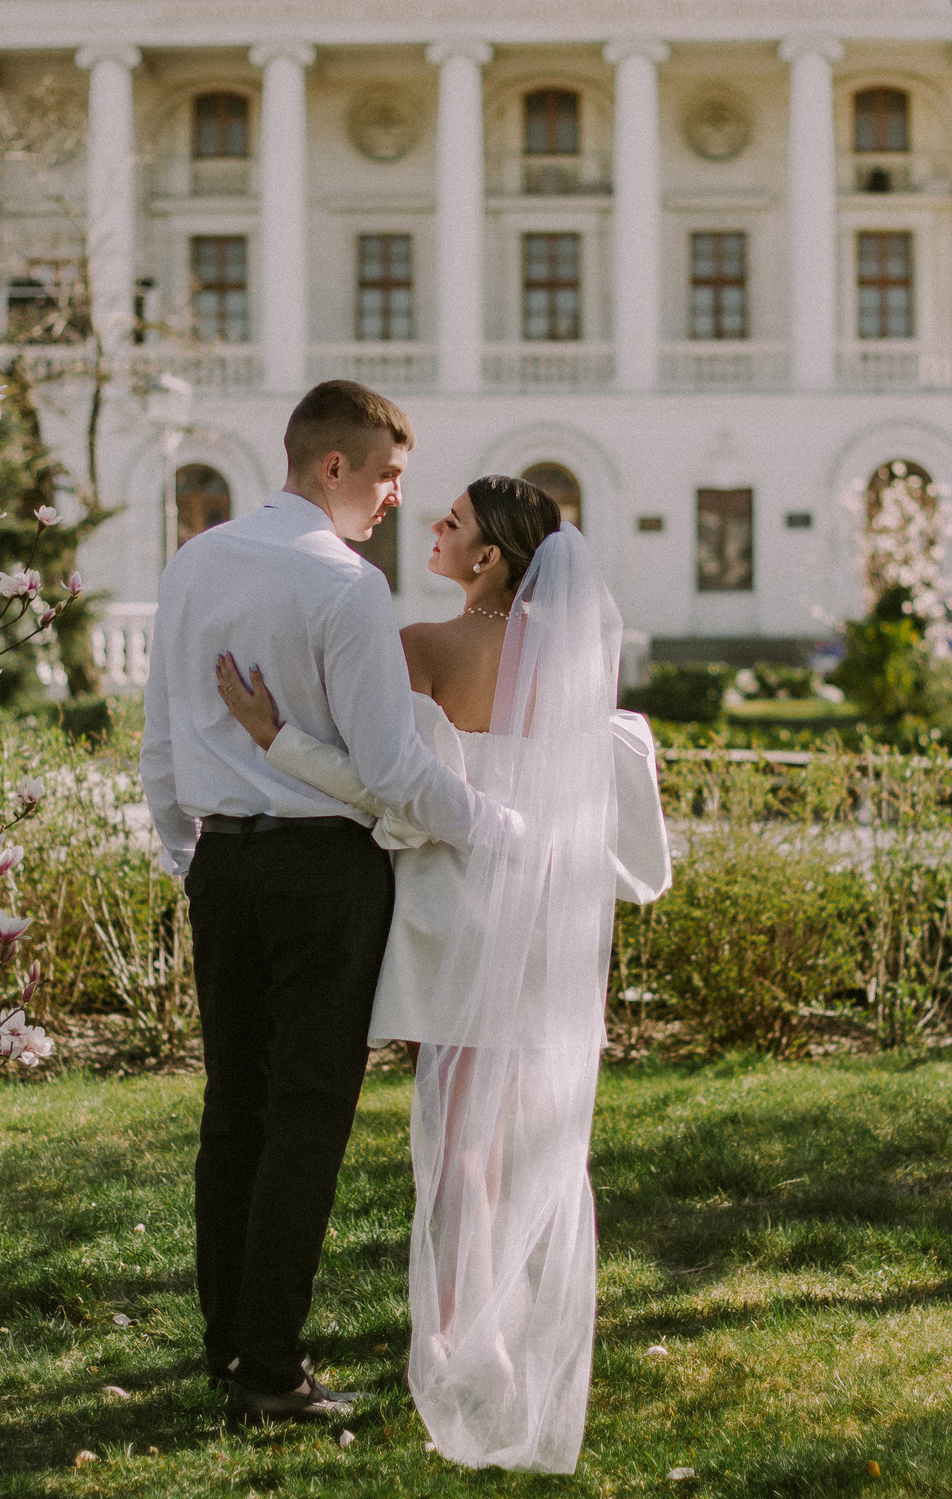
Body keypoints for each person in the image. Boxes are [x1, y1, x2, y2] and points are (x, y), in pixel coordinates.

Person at [212, 474, 671, 1473]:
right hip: (546, 909)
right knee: (511, 1129)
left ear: (489, 559)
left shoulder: (423, 647)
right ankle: (496, 1311)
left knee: (459, 1138)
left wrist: (273, 733)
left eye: (453, 522)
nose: (435, 528)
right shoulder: (573, 665)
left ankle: (477, 1336)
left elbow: (389, 781)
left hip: (458, 916)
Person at [140, 380, 508, 1426]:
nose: (398, 496)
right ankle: (269, 1370)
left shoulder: (194, 560)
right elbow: (392, 770)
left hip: (224, 866)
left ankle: (230, 1348)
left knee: (234, 1114)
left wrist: (192, 857)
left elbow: (161, 740)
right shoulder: (345, 586)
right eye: (388, 475)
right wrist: (500, 829)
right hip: (322, 876)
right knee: (305, 1117)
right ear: (334, 466)